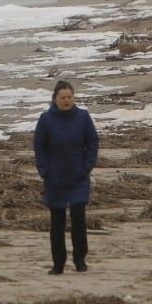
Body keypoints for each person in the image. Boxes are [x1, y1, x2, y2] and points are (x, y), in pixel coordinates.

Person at [33, 80, 99, 274]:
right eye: (63, 97)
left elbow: (93, 142)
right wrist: (45, 170)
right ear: (55, 99)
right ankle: (58, 264)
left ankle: (80, 260)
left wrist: (87, 166)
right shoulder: (45, 119)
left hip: (78, 176)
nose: (67, 100)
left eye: (70, 97)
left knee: (79, 220)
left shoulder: (83, 117)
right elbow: (39, 147)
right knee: (57, 222)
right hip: (55, 178)